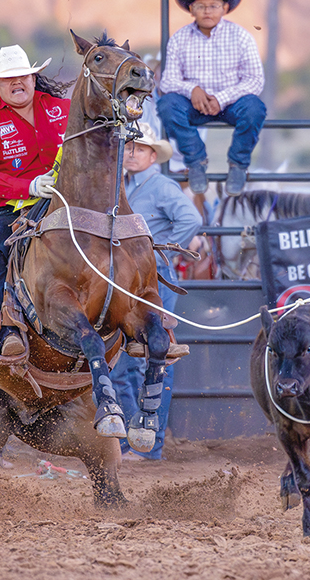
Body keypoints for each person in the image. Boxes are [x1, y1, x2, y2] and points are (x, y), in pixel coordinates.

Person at [0, 44, 70, 357]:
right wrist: (28, 186)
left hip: (68, 203)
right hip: (9, 211)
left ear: (34, 78)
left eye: (22, 75)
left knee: (123, 234)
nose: (16, 82)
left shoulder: (63, 108)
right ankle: (5, 328)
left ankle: (144, 319)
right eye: (8, 79)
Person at [109, 124, 202, 460]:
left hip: (153, 276)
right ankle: (133, 441)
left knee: (154, 357)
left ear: (153, 155)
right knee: (124, 358)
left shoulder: (161, 186)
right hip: (125, 276)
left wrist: (163, 250)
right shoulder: (123, 184)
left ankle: (149, 443)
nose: (131, 153)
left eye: (139, 148)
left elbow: (190, 219)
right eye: (129, 147)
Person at [157, 0, 266, 196]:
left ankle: (238, 165)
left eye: (214, 5)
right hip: (193, 105)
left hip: (232, 105)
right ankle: (196, 162)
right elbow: (168, 81)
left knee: (255, 108)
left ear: (225, 8)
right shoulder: (179, 39)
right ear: (191, 10)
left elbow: (255, 80)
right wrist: (192, 90)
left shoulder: (241, 37)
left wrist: (222, 98)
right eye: (201, 6)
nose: (207, 11)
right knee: (167, 105)